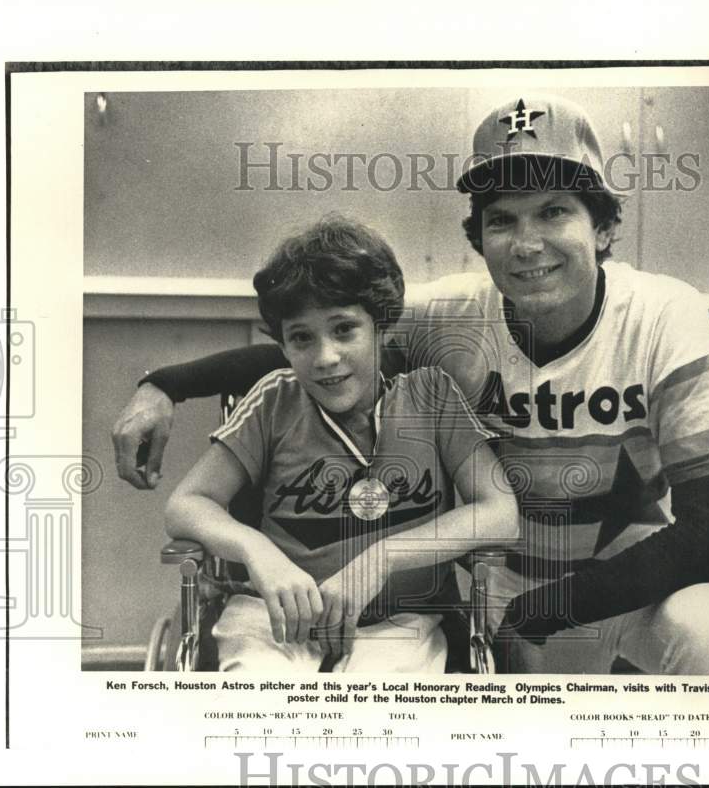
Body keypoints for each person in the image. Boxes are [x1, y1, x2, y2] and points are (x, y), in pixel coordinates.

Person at [118, 94, 709, 675]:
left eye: (553, 212)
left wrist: (556, 608)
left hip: (628, 582)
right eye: (502, 220)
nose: (527, 243)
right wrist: (163, 384)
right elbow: (317, 351)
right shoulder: (451, 316)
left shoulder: (662, 312)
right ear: (478, 239)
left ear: (601, 227)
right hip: (508, 581)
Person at [164, 214, 518, 672]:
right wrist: (259, 553)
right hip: (276, 621)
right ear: (284, 346)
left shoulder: (432, 397)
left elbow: (500, 512)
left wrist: (383, 558)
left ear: (382, 325)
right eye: (302, 338)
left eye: (344, 329)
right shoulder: (275, 400)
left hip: (398, 623)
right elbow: (186, 504)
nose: (325, 358)